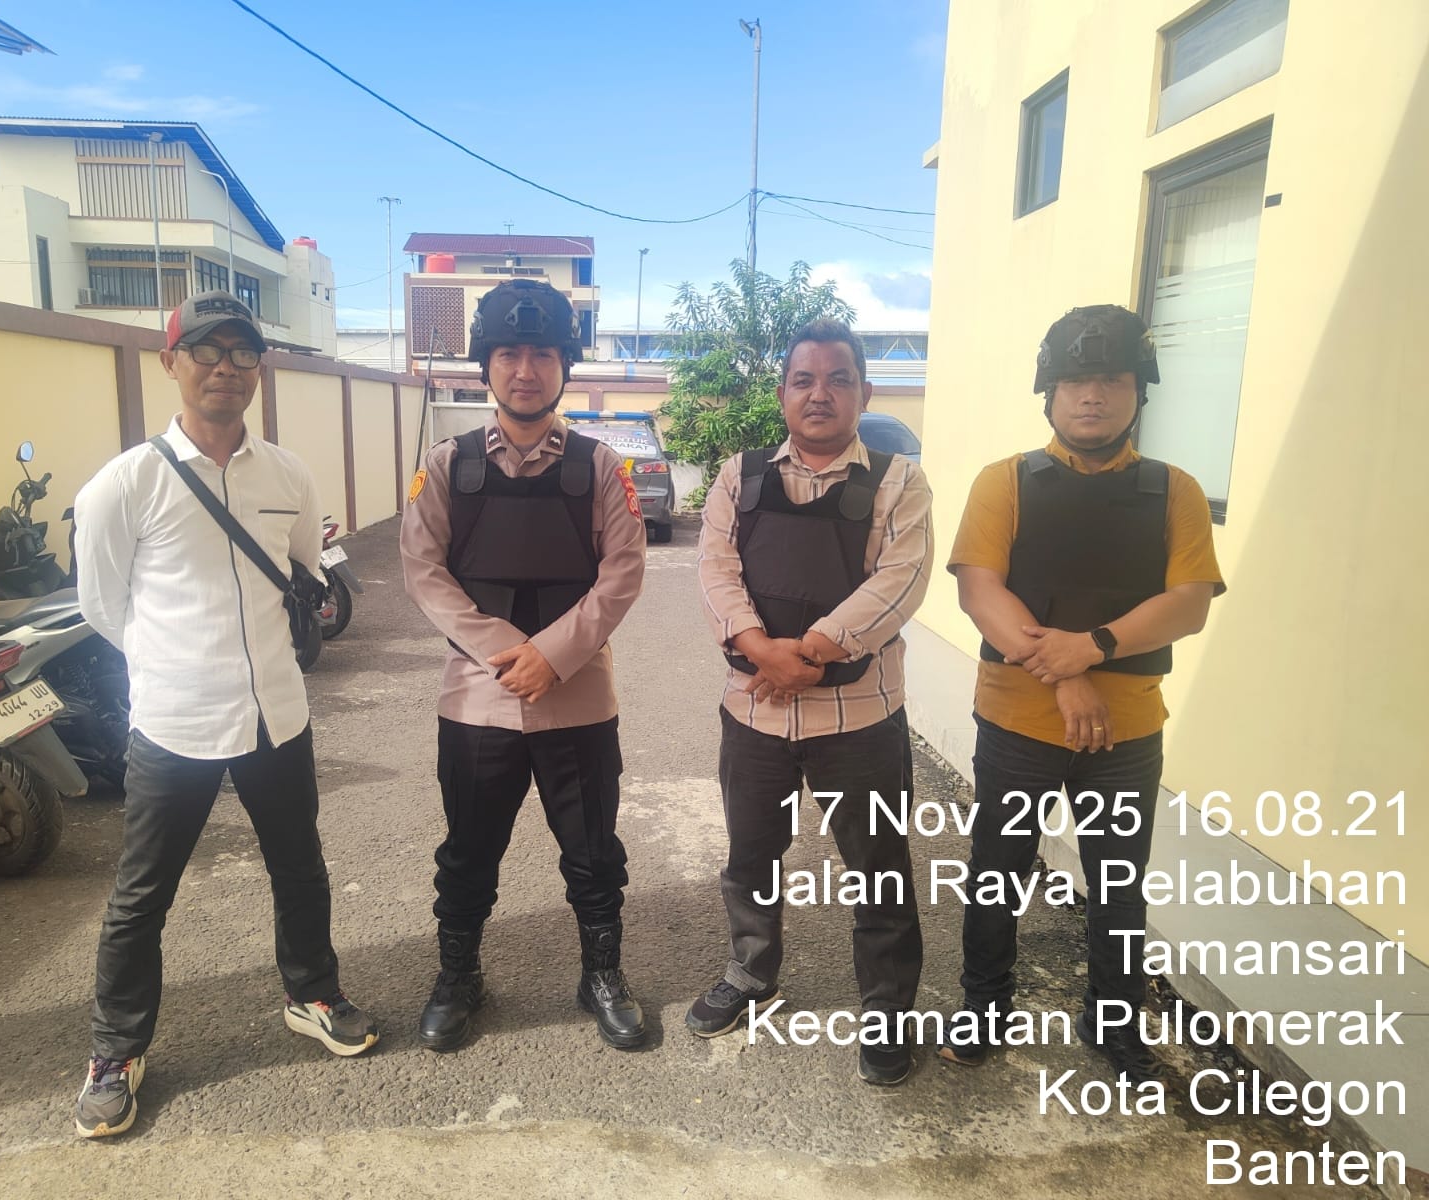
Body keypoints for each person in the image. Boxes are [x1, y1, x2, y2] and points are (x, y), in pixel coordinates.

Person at [70, 291, 375, 1140]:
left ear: (259, 368)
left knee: (300, 866)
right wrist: (174, 664)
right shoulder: (125, 483)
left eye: (243, 353)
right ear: (170, 361)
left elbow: (301, 571)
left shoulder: (287, 474)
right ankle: (115, 1051)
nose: (225, 368)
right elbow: (102, 605)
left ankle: (312, 993)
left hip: (278, 713)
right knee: (142, 896)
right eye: (206, 350)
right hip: (175, 723)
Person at [940, 304, 1224, 1083]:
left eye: (1111, 380)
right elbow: (980, 590)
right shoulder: (1005, 481)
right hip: (1016, 722)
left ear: (1139, 391)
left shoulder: (1174, 491)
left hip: (1128, 732)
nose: (1092, 395)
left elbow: (1189, 602)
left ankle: (1114, 1023)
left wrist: (1092, 648)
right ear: (1049, 392)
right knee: (997, 875)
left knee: (1118, 886)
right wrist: (1069, 678)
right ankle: (984, 1007)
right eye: (1074, 381)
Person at [400, 278, 648, 1052]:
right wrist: (504, 652)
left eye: (543, 354)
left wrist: (554, 655)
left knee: (594, 854)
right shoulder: (449, 466)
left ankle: (601, 974)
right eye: (509, 353)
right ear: (486, 366)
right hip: (477, 701)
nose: (526, 369)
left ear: (565, 365)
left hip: (579, 701)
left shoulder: (601, 469)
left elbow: (623, 573)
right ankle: (459, 977)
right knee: (468, 853)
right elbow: (423, 571)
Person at [689, 317, 933, 1086]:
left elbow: (900, 582)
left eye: (838, 379)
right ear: (783, 392)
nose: (819, 394)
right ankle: (751, 972)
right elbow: (716, 568)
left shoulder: (900, 480)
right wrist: (763, 650)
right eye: (804, 380)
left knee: (879, 869)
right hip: (753, 713)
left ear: (865, 391)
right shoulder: (740, 475)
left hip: (860, 721)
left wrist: (814, 649)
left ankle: (888, 1008)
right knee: (751, 857)